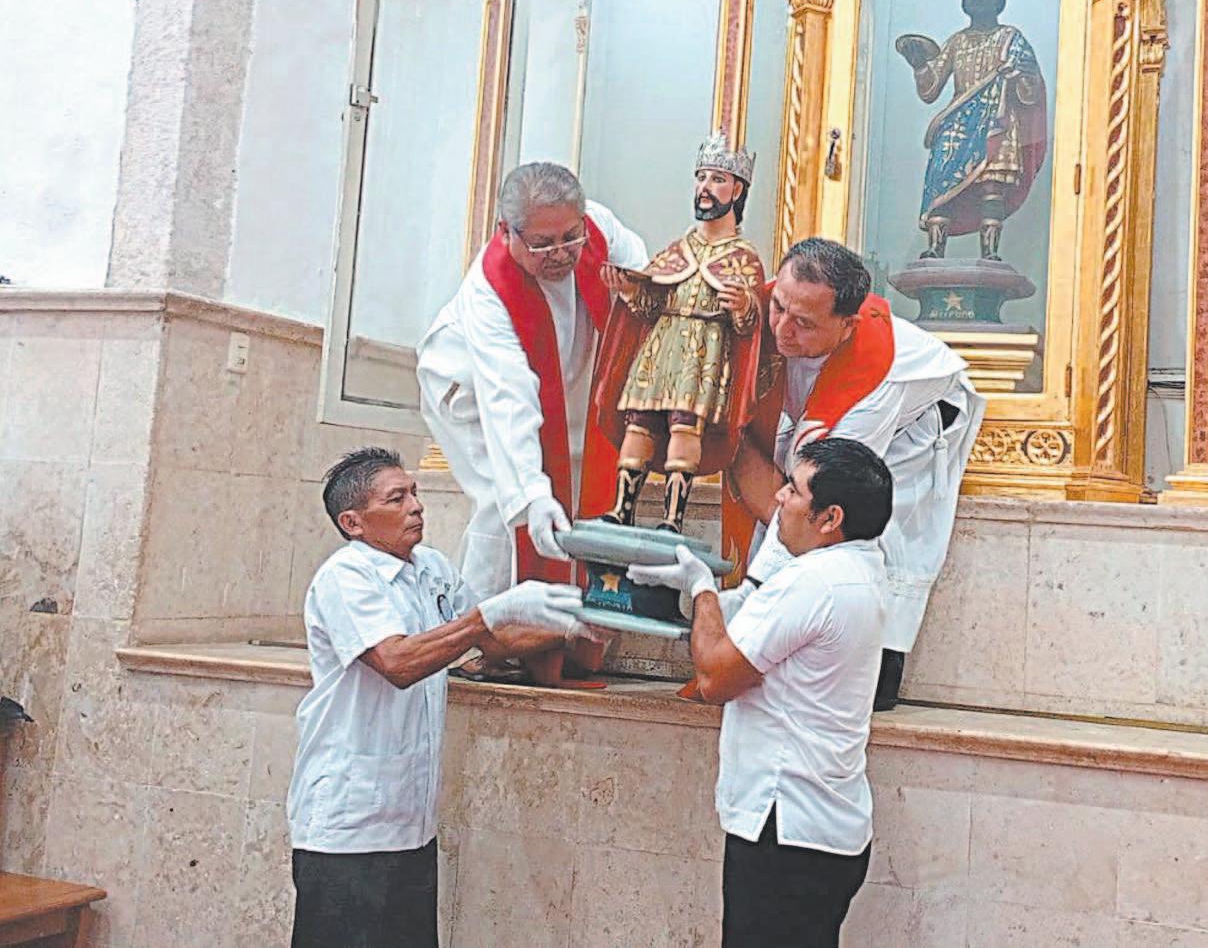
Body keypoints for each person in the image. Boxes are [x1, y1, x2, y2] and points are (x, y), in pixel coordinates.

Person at [287, 448, 591, 948]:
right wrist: (483, 616)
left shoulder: (430, 567)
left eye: (414, 492)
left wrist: (577, 625)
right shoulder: (345, 578)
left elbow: (493, 640)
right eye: (396, 498)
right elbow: (397, 662)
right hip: (348, 826)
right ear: (353, 522)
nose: (416, 506)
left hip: (412, 826)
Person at [629, 438, 892, 948]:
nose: (779, 498)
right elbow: (764, 627)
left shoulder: (814, 580)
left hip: (786, 829)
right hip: (826, 826)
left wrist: (702, 589)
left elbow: (715, 679)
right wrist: (703, 597)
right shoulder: (861, 567)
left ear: (830, 517)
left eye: (793, 490)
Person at [725, 237, 985, 711]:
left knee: (864, 526)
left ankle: (874, 666)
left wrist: (746, 610)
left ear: (846, 326)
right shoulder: (762, 307)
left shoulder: (873, 387)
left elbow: (810, 505)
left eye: (803, 323)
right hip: (817, 414)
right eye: (779, 307)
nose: (781, 330)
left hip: (917, 429)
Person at [416, 162, 647, 681]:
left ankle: (555, 638)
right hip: (469, 389)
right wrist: (531, 494)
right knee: (504, 503)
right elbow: (508, 399)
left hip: (560, 384)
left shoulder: (599, 229)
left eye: (571, 237)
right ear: (507, 232)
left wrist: (639, 291)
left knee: (575, 495)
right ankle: (470, 639)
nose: (562, 253)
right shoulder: (490, 291)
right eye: (543, 244)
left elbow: (647, 279)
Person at [594, 133, 767, 533]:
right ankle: (622, 509)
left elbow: (751, 327)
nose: (705, 187)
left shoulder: (743, 258)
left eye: (717, 179)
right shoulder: (676, 250)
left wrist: (744, 306)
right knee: (639, 423)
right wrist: (631, 291)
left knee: (685, 425)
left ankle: (673, 517)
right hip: (661, 347)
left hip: (705, 353)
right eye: (701, 177)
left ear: (737, 190)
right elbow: (650, 306)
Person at [895, 0, 1047, 261]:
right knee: (942, 182)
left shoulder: (1011, 39)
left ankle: (989, 253)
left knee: (992, 187)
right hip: (958, 124)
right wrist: (919, 64)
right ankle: (935, 249)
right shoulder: (957, 42)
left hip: (997, 123)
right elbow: (930, 90)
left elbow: (1030, 92)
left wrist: (1020, 76)